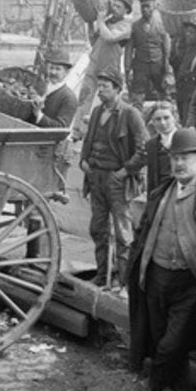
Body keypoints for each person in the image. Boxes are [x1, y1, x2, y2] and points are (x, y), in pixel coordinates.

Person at [128, 128, 196, 391]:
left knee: (171, 343)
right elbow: (143, 232)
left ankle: (153, 387)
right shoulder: (161, 192)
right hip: (156, 276)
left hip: (189, 281)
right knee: (162, 341)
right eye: (175, 158)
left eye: (186, 158)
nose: (179, 164)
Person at [79, 69, 147, 288]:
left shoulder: (130, 114)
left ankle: (124, 283)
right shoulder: (97, 112)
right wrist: (83, 161)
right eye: (99, 86)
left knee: (123, 234)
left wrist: (124, 172)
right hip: (96, 178)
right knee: (98, 229)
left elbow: (144, 150)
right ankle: (102, 275)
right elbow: (88, 141)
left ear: (118, 89)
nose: (100, 90)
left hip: (117, 181)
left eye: (105, 87)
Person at [78, 0, 134, 110]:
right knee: (84, 98)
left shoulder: (126, 26)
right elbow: (94, 42)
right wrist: (90, 24)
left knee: (107, 100)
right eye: (113, 5)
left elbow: (110, 37)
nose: (114, 9)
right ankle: (80, 122)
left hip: (109, 69)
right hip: (94, 64)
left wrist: (100, 21)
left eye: (119, 7)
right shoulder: (106, 22)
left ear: (126, 10)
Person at [127, 0, 171, 108]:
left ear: (154, 7)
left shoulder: (161, 25)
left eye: (148, 6)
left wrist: (167, 69)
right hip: (140, 66)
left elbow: (167, 49)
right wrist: (128, 69)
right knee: (137, 96)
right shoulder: (134, 26)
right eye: (142, 7)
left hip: (158, 65)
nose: (145, 9)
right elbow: (129, 50)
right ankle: (136, 117)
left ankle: (165, 115)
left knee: (164, 94)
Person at [126, 100, 178, 191]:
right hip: (159, 191)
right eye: (158, 119)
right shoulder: (151, 145)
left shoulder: (188, 139)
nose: (163, 123)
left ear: (175, 117)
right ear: (153, 122)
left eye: (166, 118)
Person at [28, 47, 78, 128]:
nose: (53, 72)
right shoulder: (40, 87)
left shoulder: (69, 98)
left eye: (58, 69)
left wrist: (39, 115)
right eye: (51, 68)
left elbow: (62, 128)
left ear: (66, 72)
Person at [171, 20, 196, 122]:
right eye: (186, 31)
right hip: (182, 96)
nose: (187, 34)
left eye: (191, 32)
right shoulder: (187, 52)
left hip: (192, 99)